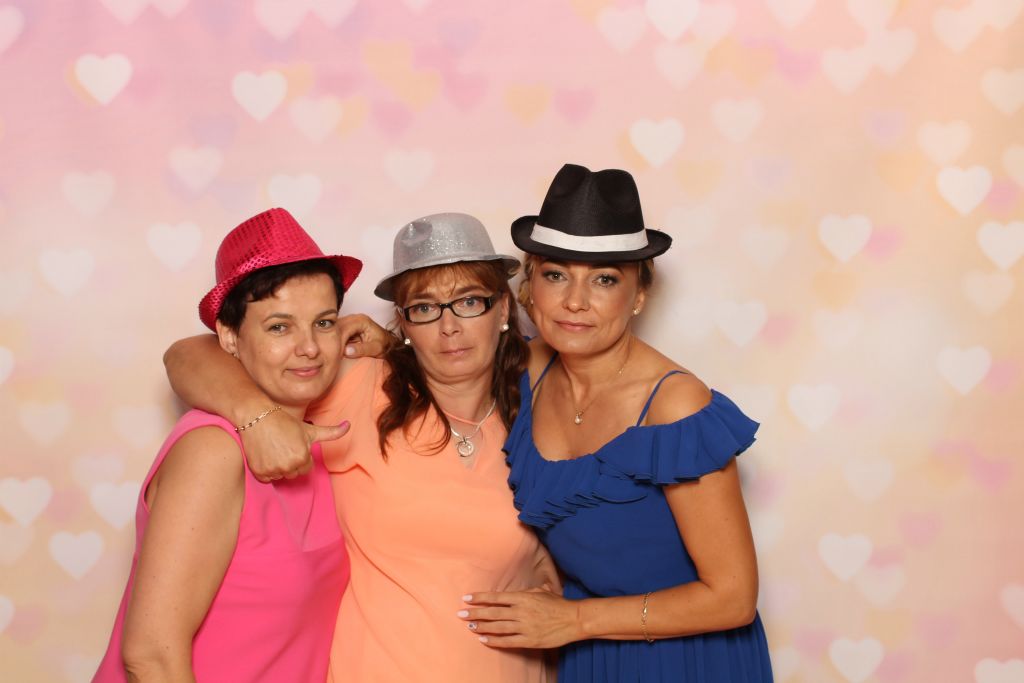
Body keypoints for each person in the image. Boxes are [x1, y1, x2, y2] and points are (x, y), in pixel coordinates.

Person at [162, 213, 557, 682]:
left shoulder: (537, 410)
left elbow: (536, 547)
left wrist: (550, 592)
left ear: (503, 310)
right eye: (425, 308)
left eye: (470, 302)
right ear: (405, 322)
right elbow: (189, 353)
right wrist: (257, 415)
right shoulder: (363, 386)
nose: (449, 326)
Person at [456, 164, 774, 682]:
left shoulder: (675, 406)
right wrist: (379, 342)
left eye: (604, 279)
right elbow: (444, 355)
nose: (574, 301)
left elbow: (733, 598)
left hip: (687, 658)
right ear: (529, 287)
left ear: (640, 295)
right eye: (555, 275)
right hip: (588, 654)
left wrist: (574, 620)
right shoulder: (527, 369)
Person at [94, 208, 359, 682]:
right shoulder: (213, 451)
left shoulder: (318, 440)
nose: (309, 348)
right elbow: (150, 655)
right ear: (230, 337)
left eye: (323, 323)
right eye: (279, 327)